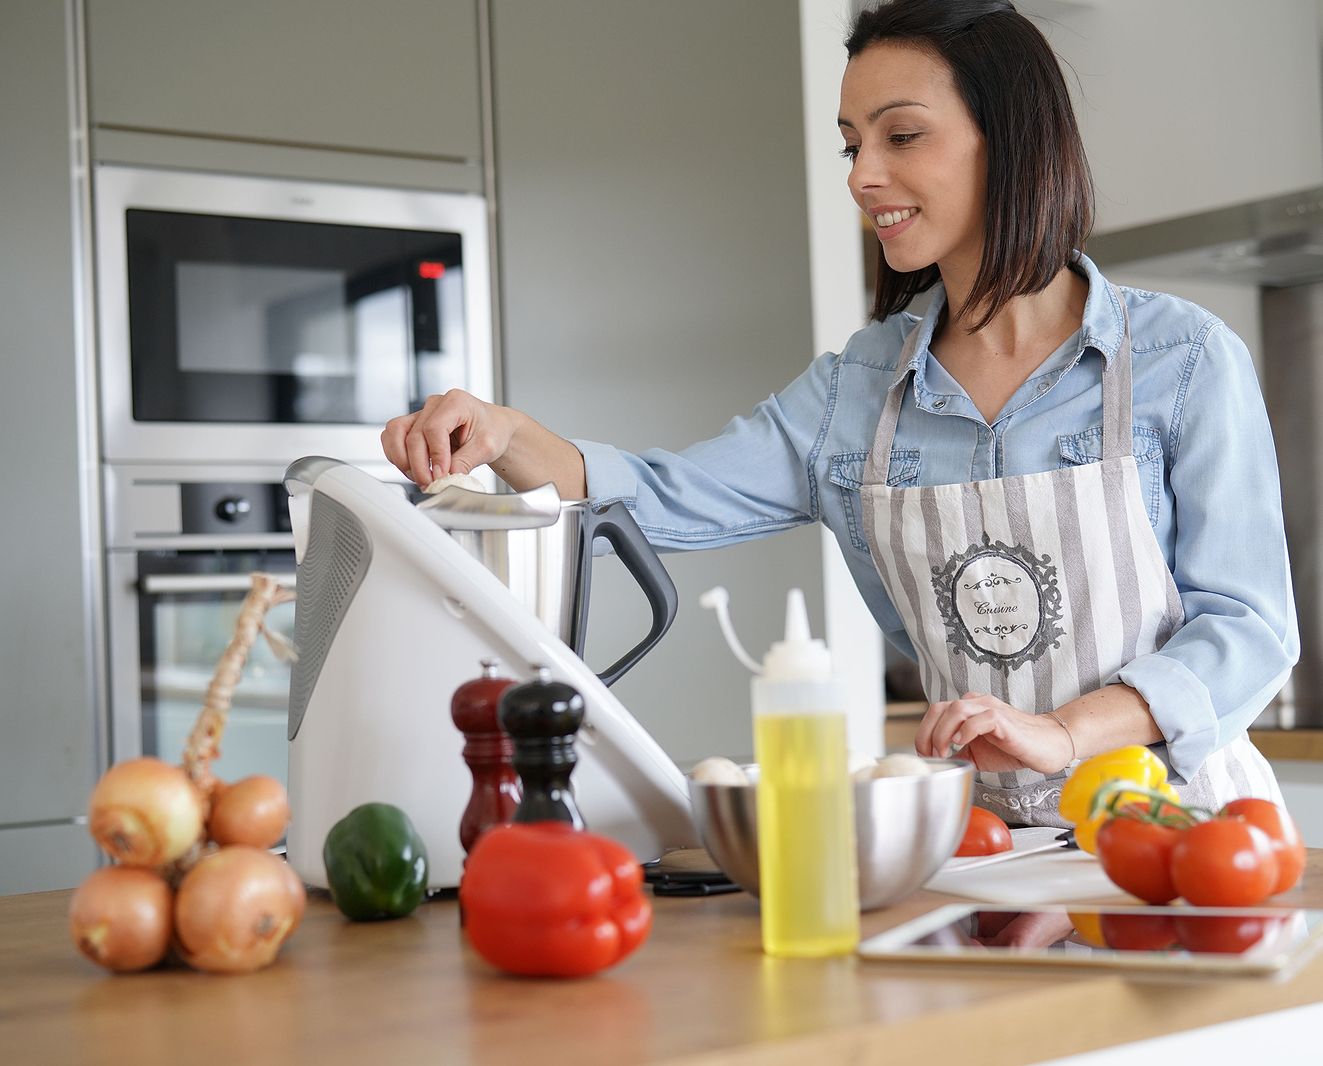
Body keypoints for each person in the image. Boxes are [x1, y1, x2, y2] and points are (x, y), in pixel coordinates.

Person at [382, 0, 1298, 826]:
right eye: (852, 144)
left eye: (901, 136)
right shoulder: (854, 393)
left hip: (1185, 840)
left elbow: (1250, 630)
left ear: (1009, 139)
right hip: (978, 846)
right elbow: (656, 498)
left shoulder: (1180, 360)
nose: (864, 176)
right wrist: (504, 432)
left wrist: (1062, 732)